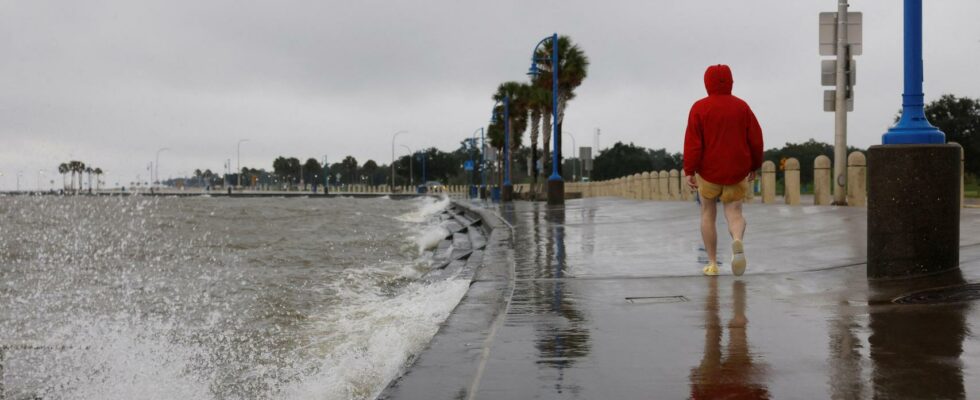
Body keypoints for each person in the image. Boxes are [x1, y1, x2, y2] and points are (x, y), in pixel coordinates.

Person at [683, 64, 763, 276]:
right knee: (734, 212)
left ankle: (712, 263)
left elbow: (693, 143)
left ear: (706, 83)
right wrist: (755, 165)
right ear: (731, 82)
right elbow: (755, 139)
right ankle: (737, 240)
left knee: (708, 213)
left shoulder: (699, 108)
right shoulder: (742, 107)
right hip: (736, 170)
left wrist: (689, 170)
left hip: (709, 172)